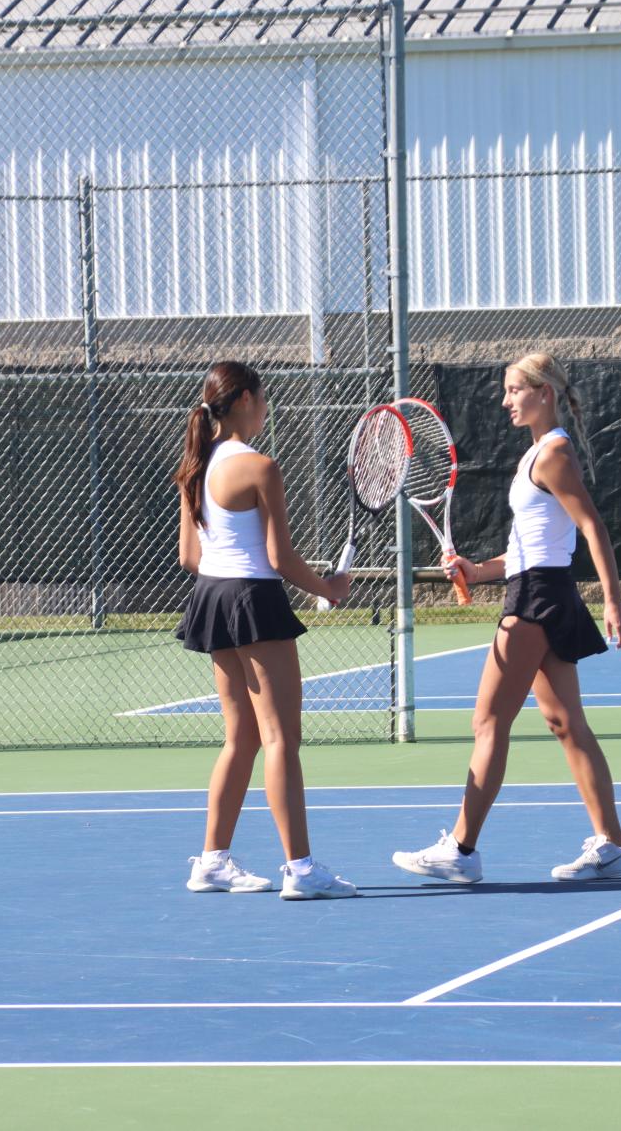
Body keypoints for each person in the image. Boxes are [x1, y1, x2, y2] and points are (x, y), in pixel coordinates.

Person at [392, 352, 621, 883]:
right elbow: (525, 550)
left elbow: (592, 528)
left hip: (536, 599)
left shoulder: (552, 456)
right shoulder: (536, 457)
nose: (505, 401)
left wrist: (614, 601)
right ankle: (614, 845)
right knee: (566, 724)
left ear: (543, 392)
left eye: (514, 390)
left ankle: (460, 849)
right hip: (540, 588)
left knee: (487, 722)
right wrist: (476, 571)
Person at [174, 360, 357, 900]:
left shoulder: (194, 466)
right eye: (265, 398)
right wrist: (329, 587)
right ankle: (300, 870)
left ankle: (212, 862)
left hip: (212, 597)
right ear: (248, 400)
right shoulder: (260, 467)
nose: (268, 408)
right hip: (253, 600)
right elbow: (279, 559)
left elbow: (190, 557)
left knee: (242, 738)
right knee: (281, 738)